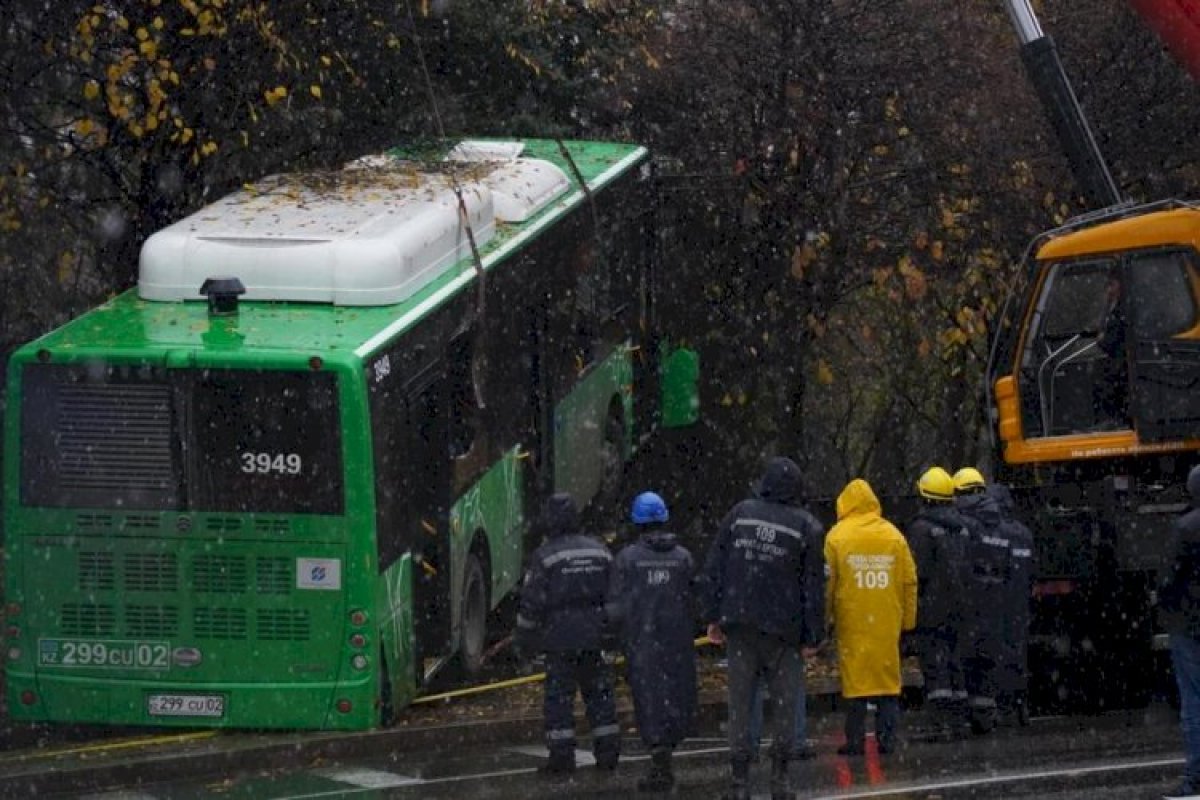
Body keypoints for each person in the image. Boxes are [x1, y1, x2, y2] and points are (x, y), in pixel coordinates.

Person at [701, 456, 826, 800]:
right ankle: (780, 780)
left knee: (740, 703)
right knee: (784, 705)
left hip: (741, 624)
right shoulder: (807, 527)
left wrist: (713, 615)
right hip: (784, 632)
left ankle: (739, 782)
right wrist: (813, 636)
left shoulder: (740, 514)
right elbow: (813, 589)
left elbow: (716, 566)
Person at [515, 493, 620, 775]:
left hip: (559, 639)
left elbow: (532, 605)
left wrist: (524, 643)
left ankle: (562, 759)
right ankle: (608, 753)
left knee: (559, 699)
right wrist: (610, 632)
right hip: (594, 637)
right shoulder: (599, 550)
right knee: (600, 696)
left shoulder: (546, 556)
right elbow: (615, 597)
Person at [608, 491, 697, 793]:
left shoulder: (627, 559)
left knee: (649, 699)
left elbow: (617, 607)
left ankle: (660, 760)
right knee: (675, 694)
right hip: (678, 641)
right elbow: (693, 597)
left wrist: (614, 635)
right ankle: (666, 753)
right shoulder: (682, 558)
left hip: (643, 641)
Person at [824, 478, 918, 757]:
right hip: (887, 619)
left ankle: (855, 740)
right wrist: (908, 622)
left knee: (855, 683)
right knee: (888, 682)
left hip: (852, 620)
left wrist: (824, 619)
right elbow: (909, 582)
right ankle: (887, 738)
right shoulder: (893, 535)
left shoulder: (836, 537)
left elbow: (828, 584)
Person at [903, 466, 971, 741]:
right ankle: (959, 720)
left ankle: (938, 721)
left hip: (931, 610)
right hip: (960, 607)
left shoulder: (921, 530)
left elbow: (916, 572)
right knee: (955, 662)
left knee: (935, 664)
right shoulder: (962, 528)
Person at [952, 466, 1010, 735]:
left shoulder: (962, 525)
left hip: (970, 599)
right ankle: (987, 714)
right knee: (988, 659)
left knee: (967, 658)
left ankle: (969, 717)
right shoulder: (1000, 523)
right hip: (996, 600)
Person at [1158, 464, 1200, 800]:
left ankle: (1196, 778)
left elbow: (1168, 579)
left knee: (1194, 703)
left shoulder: (1185, 527)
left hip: (1189, 624)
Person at [989, 482, 1034, 726]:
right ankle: (1020, 703)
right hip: (1019, 601)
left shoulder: (996, 533)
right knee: (1018, 652)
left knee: (1000, 653)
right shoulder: (1024, 533)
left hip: (1000, 601)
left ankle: (1005, 704)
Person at [1092, 267, 1129, 428]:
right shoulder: (1113, 307)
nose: (1109, 289)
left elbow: (1112, 340)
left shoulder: (1123, 308)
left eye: (1112, 285)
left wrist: (1101, 339)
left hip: (1123, 362)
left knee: (1106, 382)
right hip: (1119, 360)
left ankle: (1113, 421)